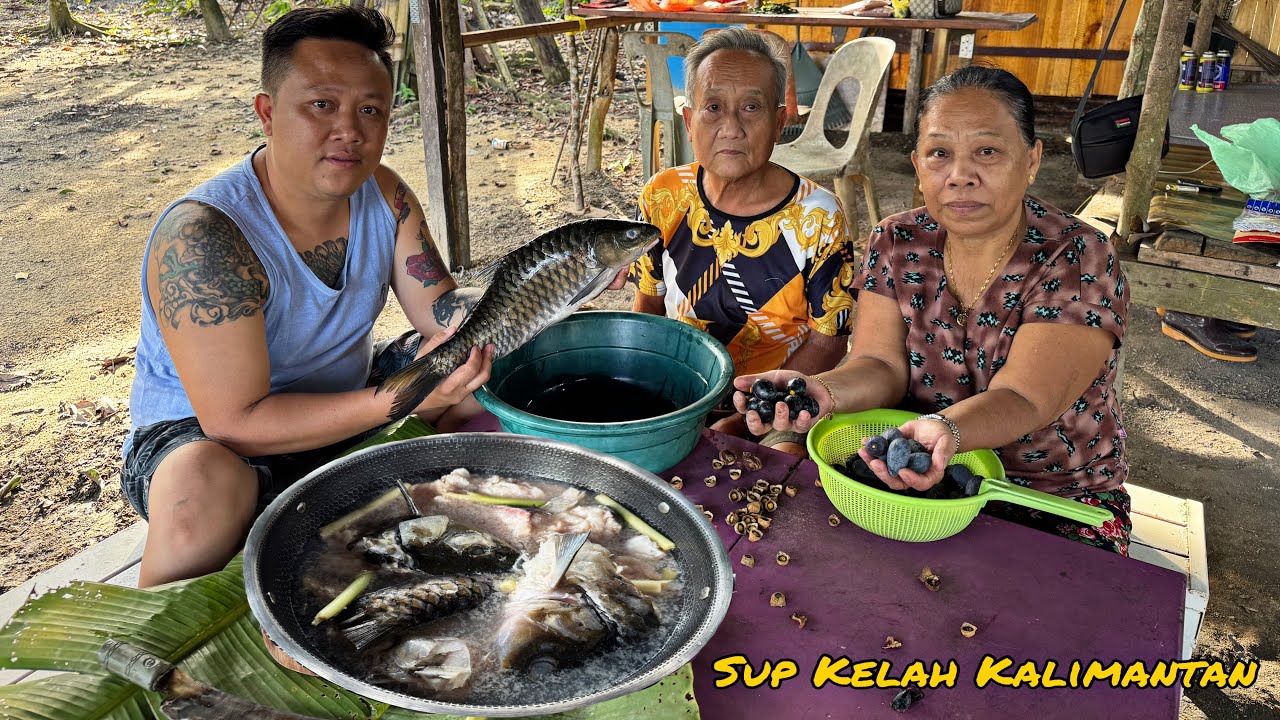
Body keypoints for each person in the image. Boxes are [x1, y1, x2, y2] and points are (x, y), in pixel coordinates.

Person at [121, 7, 497, 587]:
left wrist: (542, 295)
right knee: (201, 486)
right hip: (213, 442)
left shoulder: (385, 194)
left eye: (371, 109)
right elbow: (233, 422)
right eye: (322, 105)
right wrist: (403, 397)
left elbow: (442, 315)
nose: (351, 130)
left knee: (486, 370)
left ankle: (436, 525)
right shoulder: (205, 235)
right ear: (267, 113)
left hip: (346, 402)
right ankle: (159, 646)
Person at [734, 66, 1134, 554]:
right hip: (907, 477)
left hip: (1044, 495)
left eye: (987, 151)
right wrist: (824, 392)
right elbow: (881, 366)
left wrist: (945, 431)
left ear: (1031, 160)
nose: (961, 176)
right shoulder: (898, 239)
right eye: (939, 153)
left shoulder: (1076, 255)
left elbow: (1028, 399)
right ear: (918, 165)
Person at [627, 27, 856, 456]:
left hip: (777, 400)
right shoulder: (663, 195)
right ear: (689, 121)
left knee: (777, 465)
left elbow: (829, 341)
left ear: (779, 121)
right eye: (713, 107)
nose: (731, 127)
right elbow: (650, 304)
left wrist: (752, 415)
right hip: (680, 387)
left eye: (752, 107)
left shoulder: (818, 217)